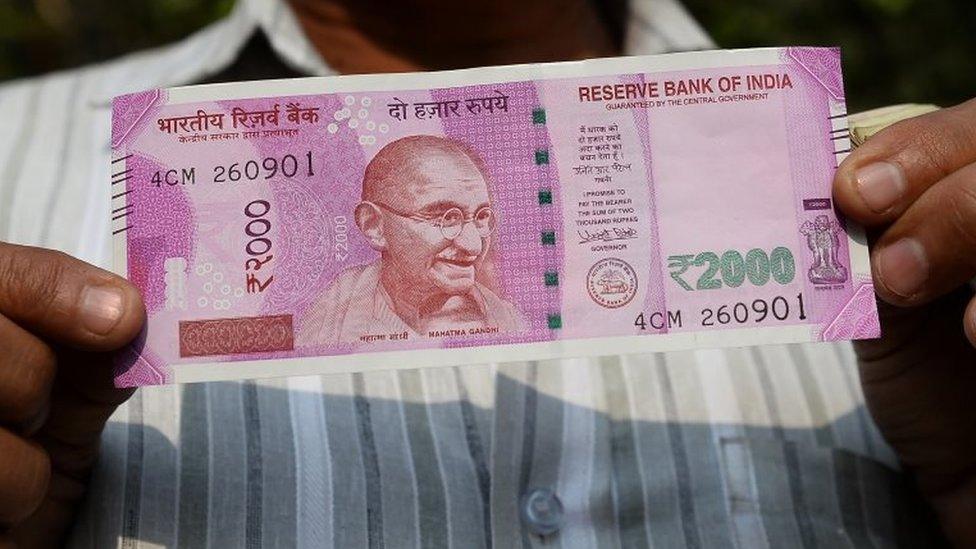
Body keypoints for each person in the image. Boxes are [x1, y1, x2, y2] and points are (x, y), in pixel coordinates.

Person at [0, 0, 973, 546]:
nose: (467, 241)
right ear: (369, 226)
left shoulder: (876, 201)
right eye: (437, 217)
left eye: (477, 216)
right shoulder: (12, 150)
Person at [299, 135, 526, 344]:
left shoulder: (510, 323)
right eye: (443, 218)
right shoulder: (327, 323)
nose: (473, 245)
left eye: (481, 217)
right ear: (374, 226)